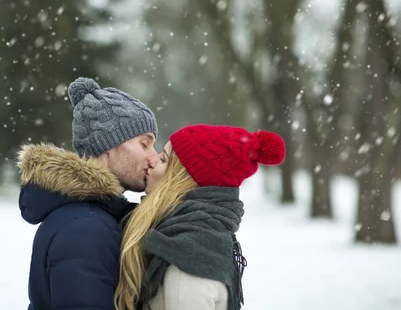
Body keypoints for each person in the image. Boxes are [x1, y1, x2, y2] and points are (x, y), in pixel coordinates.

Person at [18, 77, 159, 310]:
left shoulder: (88, 216)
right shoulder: (86, 226)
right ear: (109, 144)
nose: (153, 157)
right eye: (144, 144)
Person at [114, 124, 285, 310]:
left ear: (183, 182)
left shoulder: (189, 257)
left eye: (163, 159)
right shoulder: (192, 239)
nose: (152, 161)